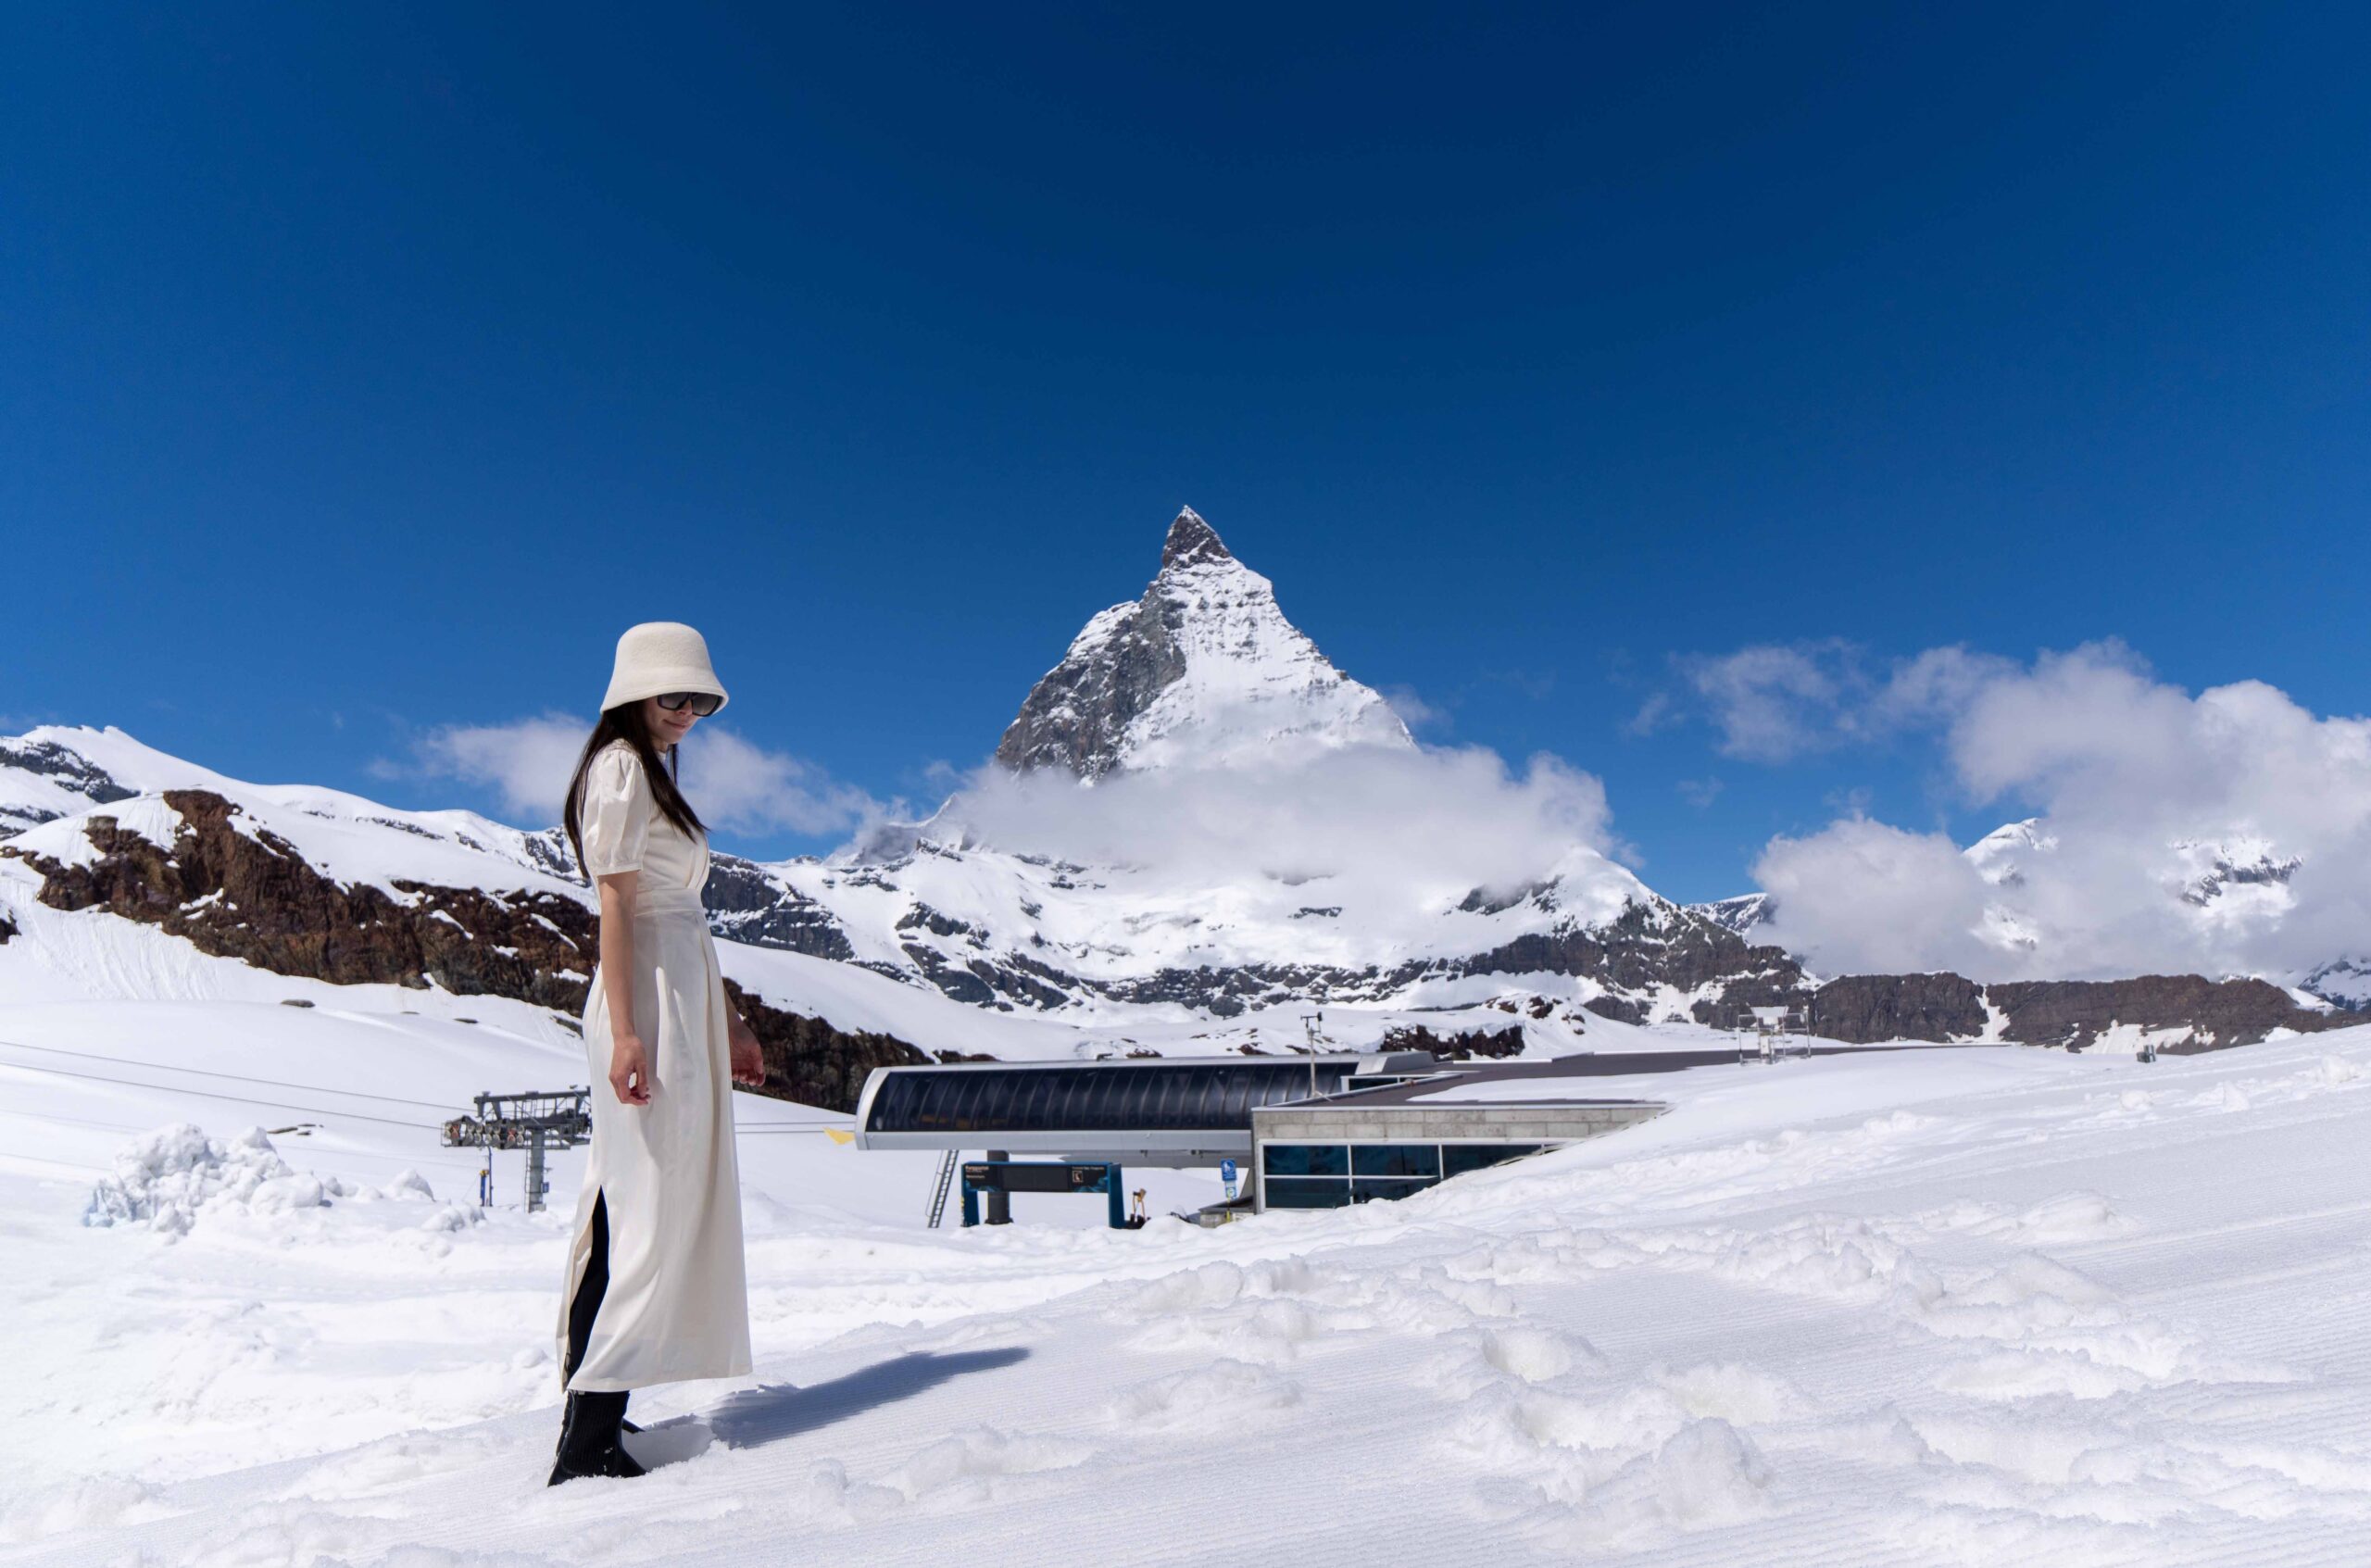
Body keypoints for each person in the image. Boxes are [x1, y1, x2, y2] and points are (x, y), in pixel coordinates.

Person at [548, 621, 770, 1486]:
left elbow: (683, 916)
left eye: (698, 700)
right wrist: (630, 1029)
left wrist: (732, 1020)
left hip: (678, 996)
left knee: (653, 1198)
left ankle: (602, 1416)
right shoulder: (618, 770)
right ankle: (586, 1434)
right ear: (634, 691)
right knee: (635, 1203)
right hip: (644, 996)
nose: (687, 713)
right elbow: (618, 907)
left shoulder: (647, 773)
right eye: (673, 696)